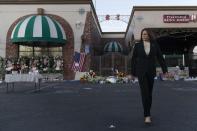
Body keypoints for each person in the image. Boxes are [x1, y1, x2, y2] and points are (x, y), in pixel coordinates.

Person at [130, 29, 168, 124]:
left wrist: (165, 70)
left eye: (146, 34)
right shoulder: (137, 46)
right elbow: (134, 59)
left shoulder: (155, 45)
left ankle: (148, 112)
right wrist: (132, 73)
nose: (144, 35)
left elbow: (160, 57)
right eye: (143, 34)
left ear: (149, 35)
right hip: (141, 72)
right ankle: (147, 115)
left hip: (151, 71)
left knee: (149, 94)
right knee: (145, 93)